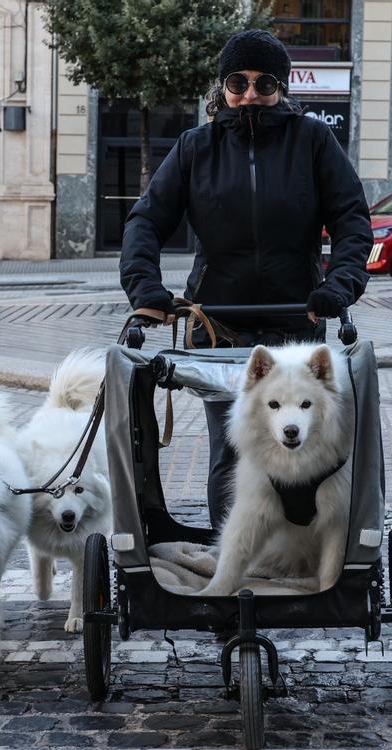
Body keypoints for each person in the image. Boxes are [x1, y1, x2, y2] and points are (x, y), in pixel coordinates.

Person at [118, 29, 373, 528]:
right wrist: (145, 289)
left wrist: (338, 286)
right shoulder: (197, 146)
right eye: (238, 82)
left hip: (294, 326)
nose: (250, 93)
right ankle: (235, 567)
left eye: (264, 82)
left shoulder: (314, 141)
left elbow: (352, 220)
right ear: (222, 86)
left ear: (283, 86)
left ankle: (295, 554)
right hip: (220, 327)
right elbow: (145, 221)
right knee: (232, 452)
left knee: (300, 449)